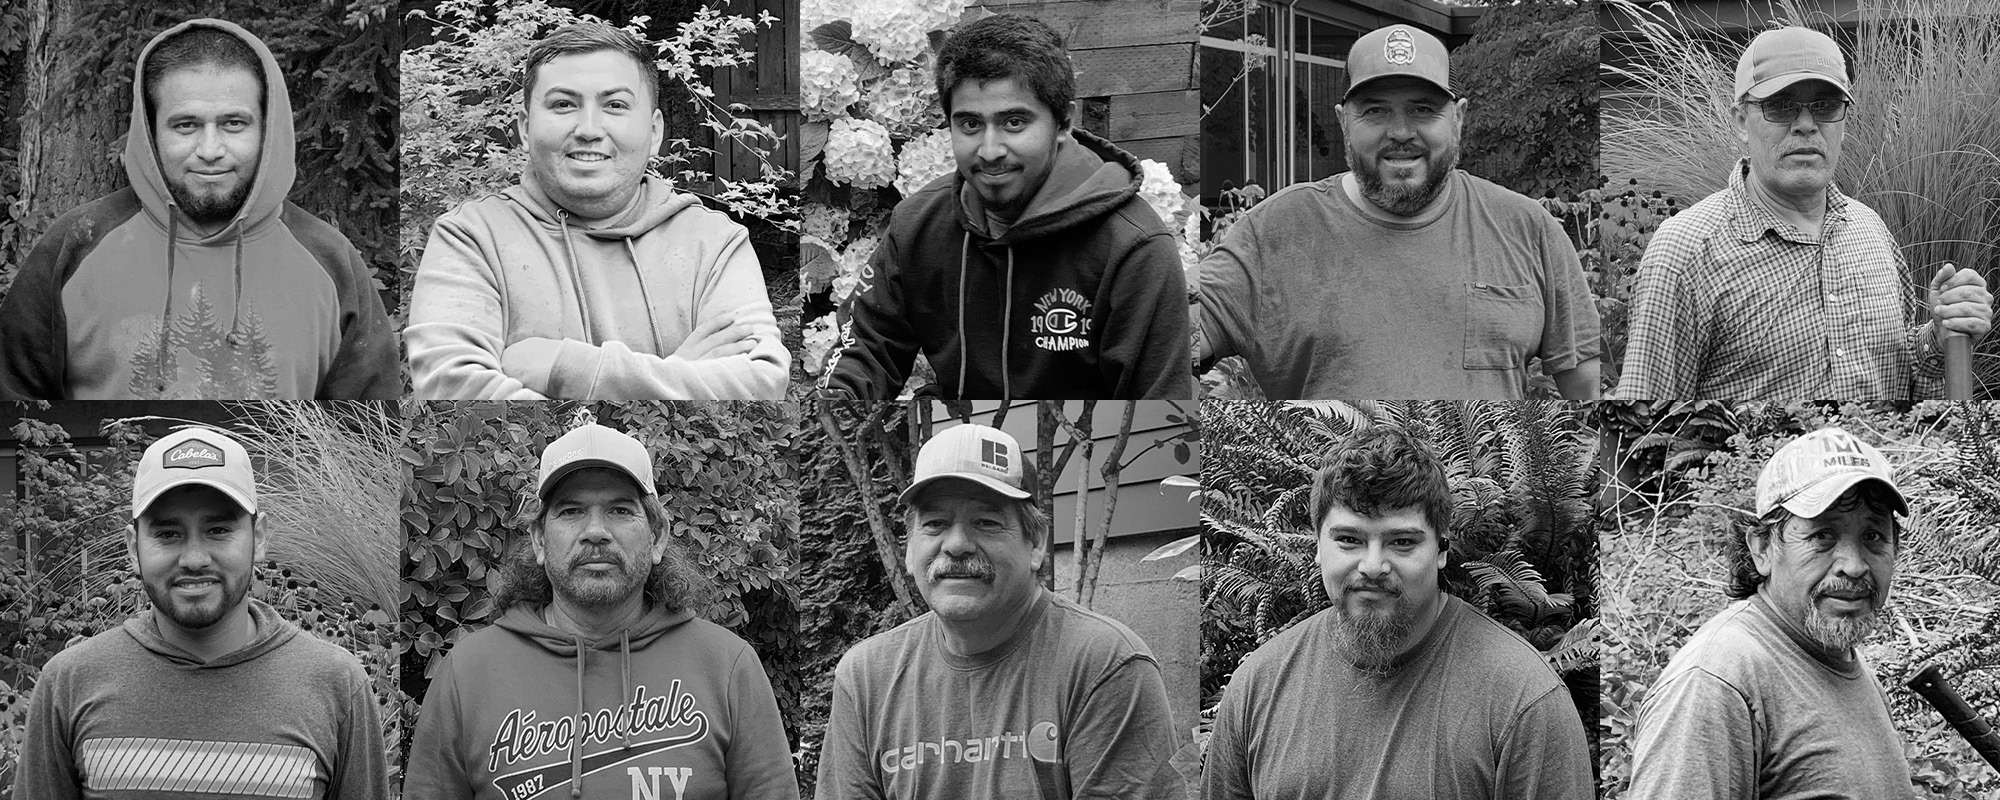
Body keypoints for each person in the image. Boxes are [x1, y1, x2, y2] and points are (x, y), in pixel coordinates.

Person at [1197, 24, 1600, 400]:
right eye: (1375, 110)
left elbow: (1586, 387)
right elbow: (1177, 327)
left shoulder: (1529, 228)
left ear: (1458, 118)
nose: (1401, 132)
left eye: (1423, 109)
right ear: (1343, 122)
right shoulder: (1274, 230)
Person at [0, 19, 397, 400]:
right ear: (151, 131)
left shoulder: (331, 262)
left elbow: (367, 430)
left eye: (234, 124)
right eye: (186, 125)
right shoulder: (76, 245)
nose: (210, 150)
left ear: (267, 128)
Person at [405, 423, 797, 800]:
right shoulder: (467, 674)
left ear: (657, 537)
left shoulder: (728, 667)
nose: (596, 530)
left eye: (620, 510)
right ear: (540, 540)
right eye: (572, 511)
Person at [1204, 426, 1593, 799]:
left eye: (1402, 541)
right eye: (1349, 540)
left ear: (1441, 549)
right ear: (1318, 547)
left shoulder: (1522, 700)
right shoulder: (1258, 685)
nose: (1373, 566)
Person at [407, 23, 788, 400]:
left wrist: (563, 367)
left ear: (655, 132)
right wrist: (680, 375)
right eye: (563, 104)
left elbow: (763, 381)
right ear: (524, 128)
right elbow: (449, 385)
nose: (589, 128)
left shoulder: (714, 242)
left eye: (615, 105)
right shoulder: (470, 237)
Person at [821, 14, 1192, 401]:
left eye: (1014, 122)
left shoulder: (1135, 248)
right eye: (969, 125)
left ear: (1064, 121)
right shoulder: (917, 224)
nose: (990, 150)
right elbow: (863, 352)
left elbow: (1160, 415)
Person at [1616, 26, 1994, 400]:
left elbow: (1898, 375)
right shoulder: (1685, 252)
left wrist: (1939, 338)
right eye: (1780, 105)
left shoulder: (1869, 230)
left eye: (1825, 106)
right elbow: (1641, 430)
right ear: (1742, 122)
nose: (1806, 124)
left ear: (1843, 123)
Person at [16, 427, 388, 799]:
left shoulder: (337, 685)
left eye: (219, 529)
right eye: (168, 534)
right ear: (133, 548)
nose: (194, 559)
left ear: (258, 538)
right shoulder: (68, 683)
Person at [816, 424, 1181, 799]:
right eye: (935, 524)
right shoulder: (865, 678)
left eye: (986, 523)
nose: (956, 545)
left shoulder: (1104, 665)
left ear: (1035, 543)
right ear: (910, 549)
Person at [1628, 427, 1913, 798]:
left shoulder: (1845, 664)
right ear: (1762, 548)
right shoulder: (1715, 682)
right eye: (1822, 535)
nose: (1854, 565)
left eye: (1873, 536)